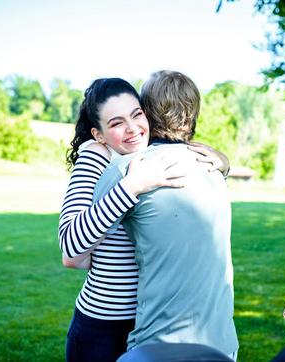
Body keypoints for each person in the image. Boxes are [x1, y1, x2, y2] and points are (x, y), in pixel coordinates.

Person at [58, 77, 229, 362]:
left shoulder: (149, 157)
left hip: (145, 322)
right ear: (98, 134)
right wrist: (131, 187)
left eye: (137, 115)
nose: (133, 129)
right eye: (116, 123)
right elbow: (71, 252)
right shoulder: (96, 158)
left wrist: (223, 163)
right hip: (104, 326)